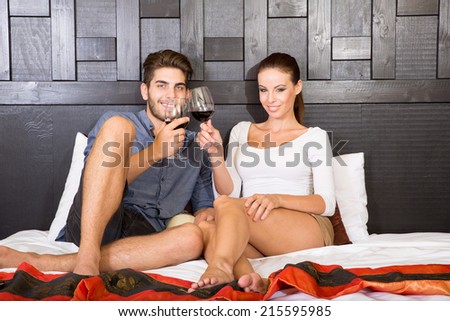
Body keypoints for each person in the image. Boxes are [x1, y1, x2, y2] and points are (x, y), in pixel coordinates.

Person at [0, 49, 215, 276]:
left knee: (191, 238)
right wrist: (155, 152)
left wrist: (207, 215)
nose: (171, 95)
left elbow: (204, 207)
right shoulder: (118, 124)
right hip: (97, 220)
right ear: (145, 91)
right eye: (161, 85)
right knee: (118, 125)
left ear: (187, 95)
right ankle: (88, 256)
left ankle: (49, 262)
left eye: (178, 87)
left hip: (147, 232)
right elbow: (98, 183)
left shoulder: (197, 145)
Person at [190, 52, 336, 292]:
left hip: (306, 229)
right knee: (209, 226)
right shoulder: (241, 131)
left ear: (297, 87)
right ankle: (252, 279)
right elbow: (230, 192)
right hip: (253, 220)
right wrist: (216, 155)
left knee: (226, 208)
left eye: (279, 89)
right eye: (263, 90)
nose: (270, 99)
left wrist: (275, 199)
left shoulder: (314, 137)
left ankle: (220, 265)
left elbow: (327, 203)